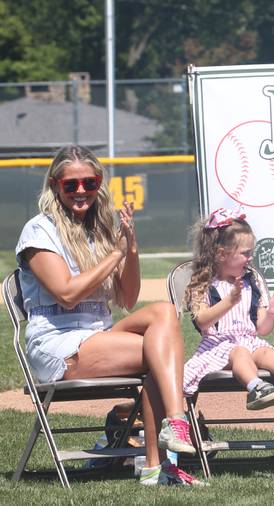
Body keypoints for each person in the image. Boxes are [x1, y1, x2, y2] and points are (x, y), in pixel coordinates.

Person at [16, 145, 204, 486]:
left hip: (99, 336)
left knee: (163, 312)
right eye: (70, 184)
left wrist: (129, 247)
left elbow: (129, 298)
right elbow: (68, 294)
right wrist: (114, 254)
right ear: (54, 185)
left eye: (89, 182)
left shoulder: (97, 230)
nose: (81, 191)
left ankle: (159, 457)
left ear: (99, 183)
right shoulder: (38, 230)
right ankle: (172, 438)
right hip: (59, 343)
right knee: (160, 355)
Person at [182, 208, 274, 412]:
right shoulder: (203, 283)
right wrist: (229, 301)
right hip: (217, 347)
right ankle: (256, 387)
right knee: (240, 353)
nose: (250, 258)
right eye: (245, 253)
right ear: (222, 254)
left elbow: (262, 328)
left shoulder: (252, 281)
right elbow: (203, 321)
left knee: (265, 352)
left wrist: (272, 313)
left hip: (249, 340)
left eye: (251, 253)